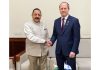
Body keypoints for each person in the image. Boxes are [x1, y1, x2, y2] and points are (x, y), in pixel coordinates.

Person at [48, 2, 80, 70]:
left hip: (70, 52)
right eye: (61, 8)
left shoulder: (74, 21)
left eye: (65, 8)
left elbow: (76, 38)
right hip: (59, 51)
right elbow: (54, 34)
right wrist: (51, 41)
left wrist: (73, 51)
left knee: (71, 69)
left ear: (68, 9)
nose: (63, 10)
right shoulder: (56, 21)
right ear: (59, 10)